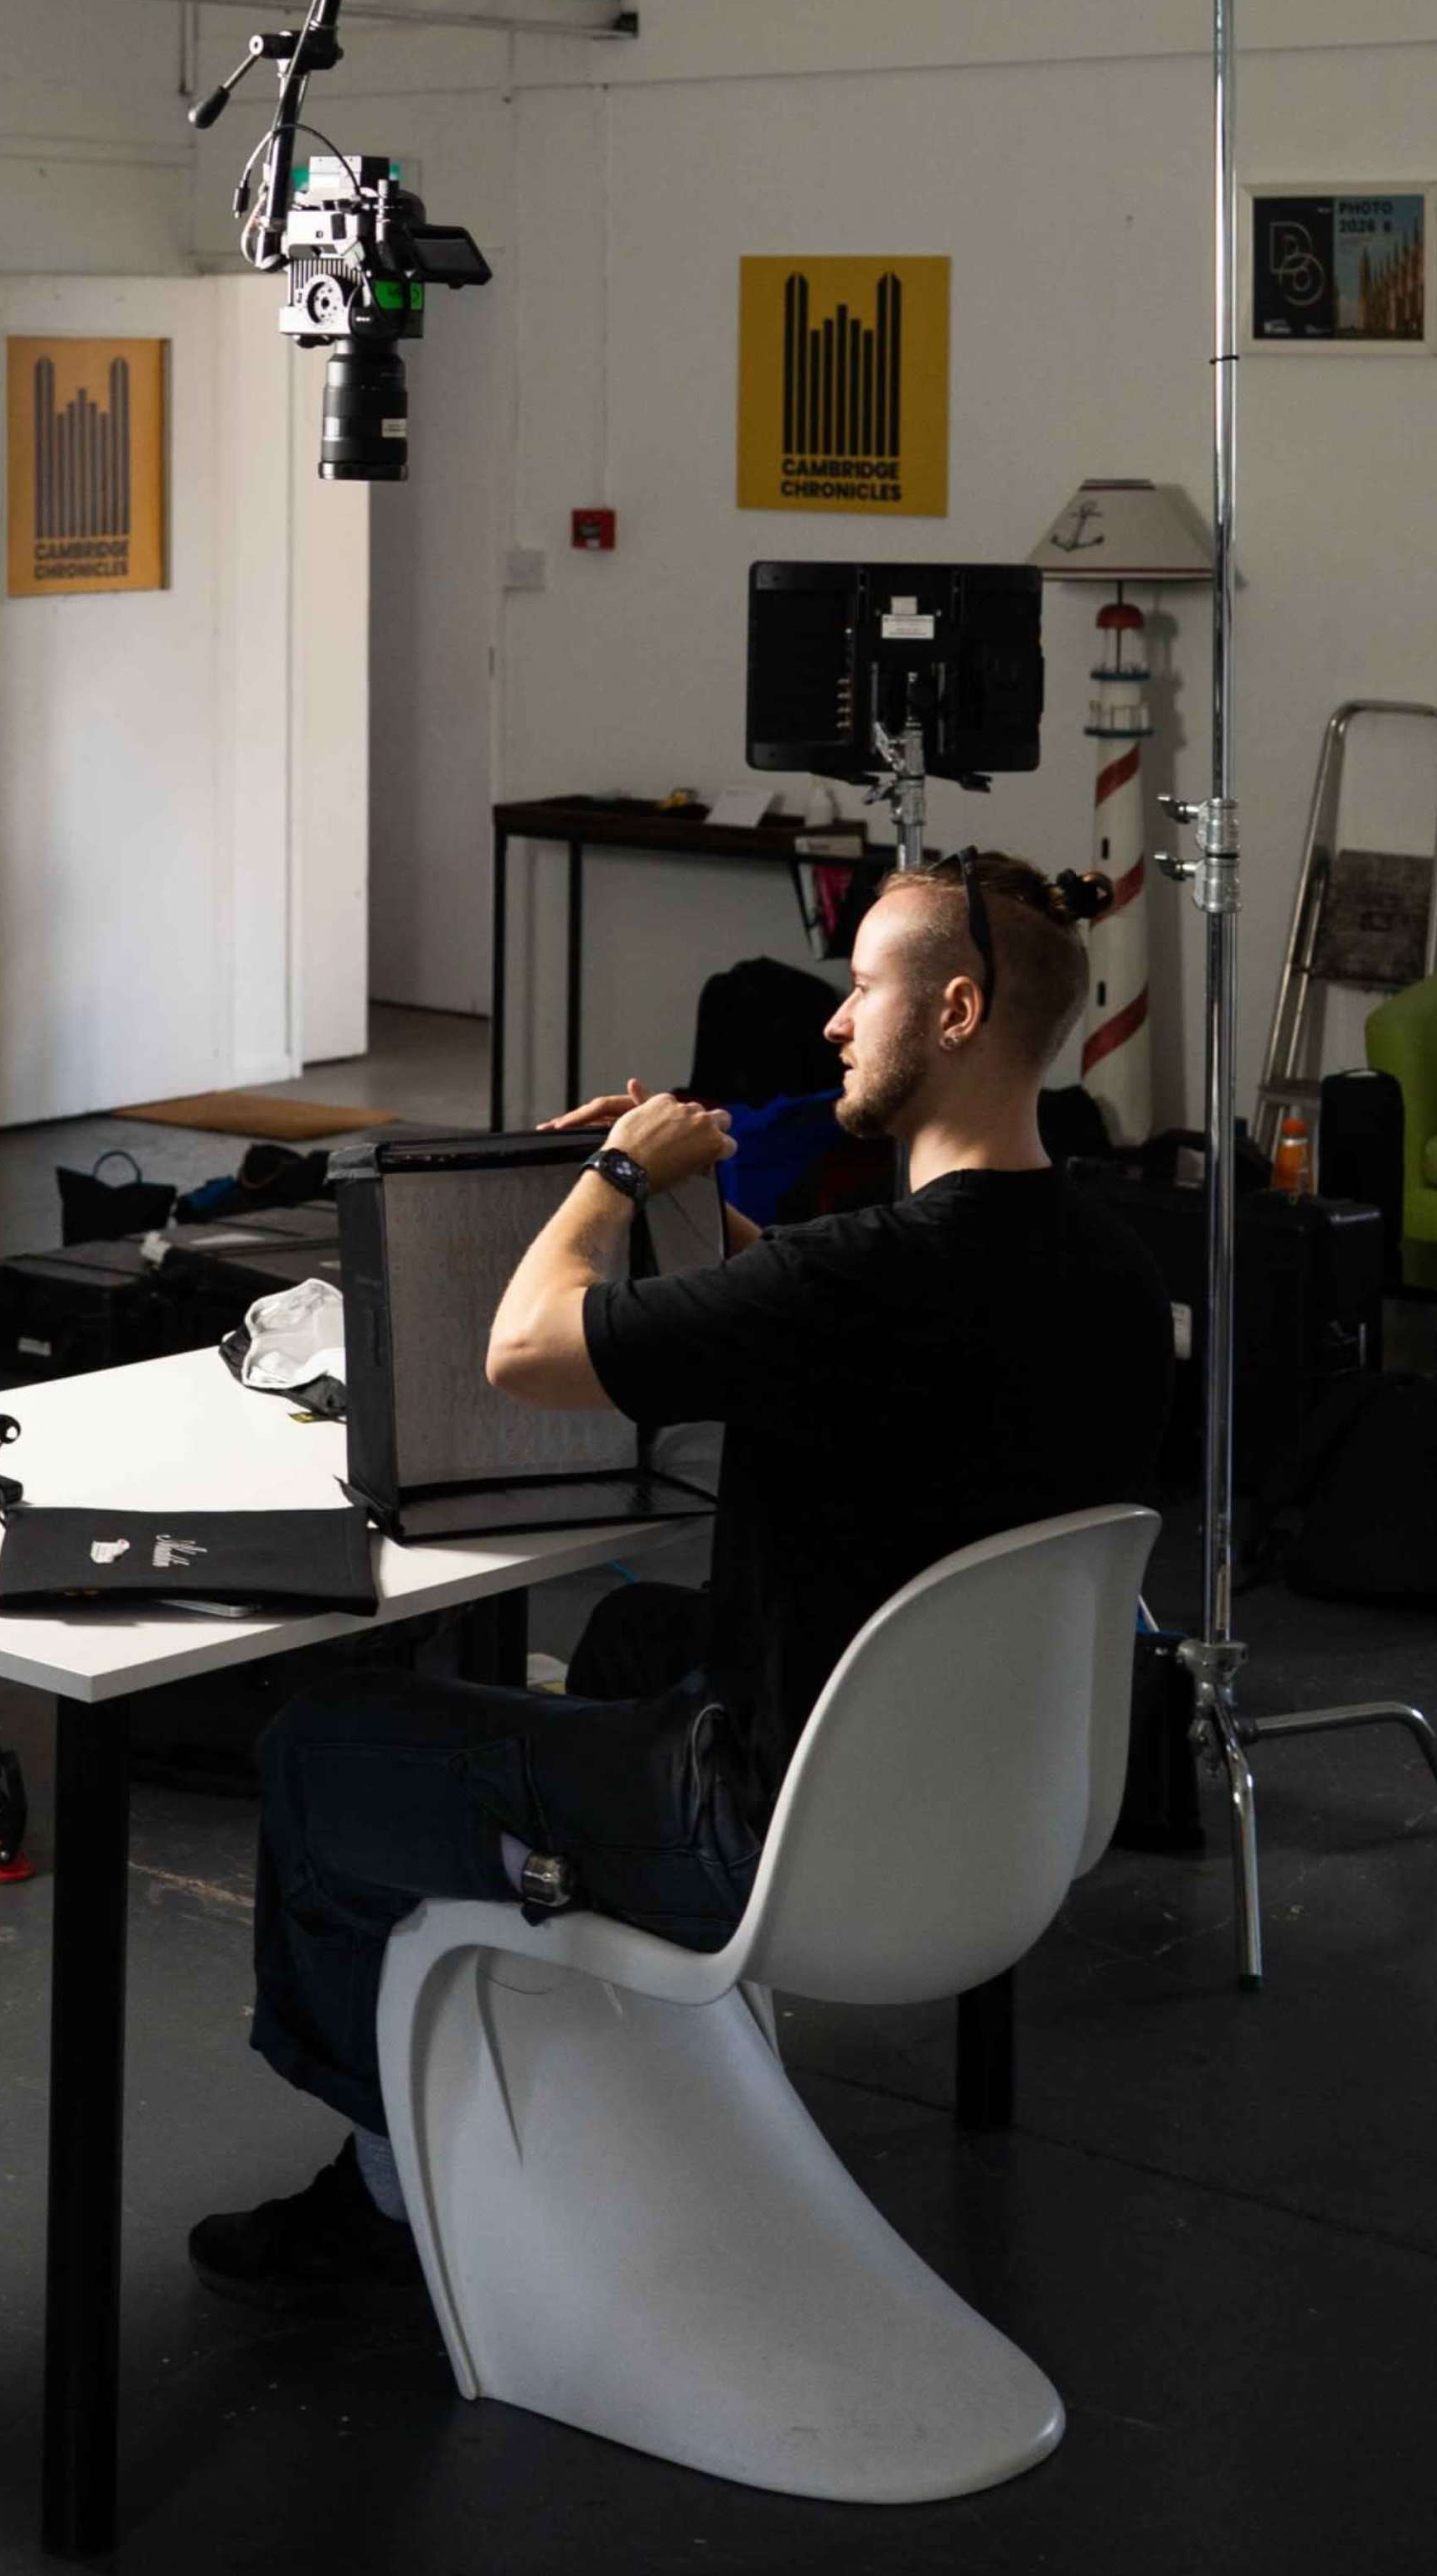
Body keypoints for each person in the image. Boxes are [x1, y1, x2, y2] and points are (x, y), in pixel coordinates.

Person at [189, 846, 1173, 2301]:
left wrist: (603, 1181)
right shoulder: (1107, 1266)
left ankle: (389, 2198)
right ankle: (611, 2067)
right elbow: (825, 1313)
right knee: (643, 1636)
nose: (834, 1023)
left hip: (776, 1833)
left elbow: (525, 1348)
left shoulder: (862, 1277)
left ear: (956, 1011)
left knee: (324, 1746)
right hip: (995, 1808)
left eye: (862, 990)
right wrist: (686, 1202)